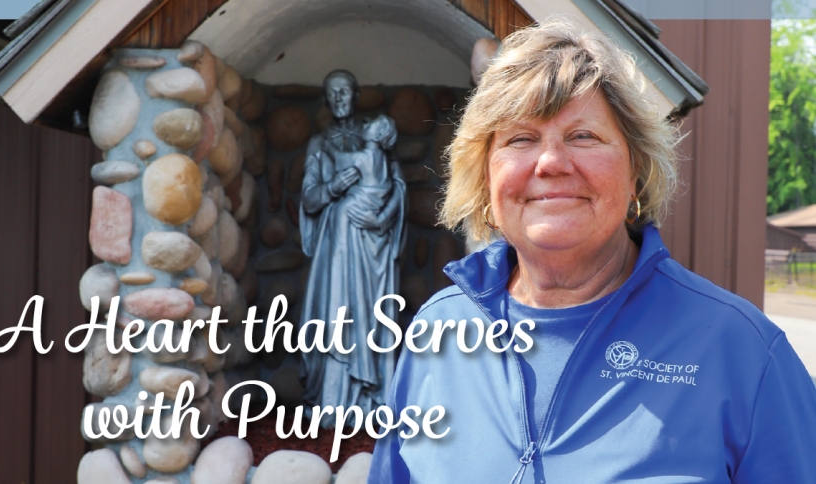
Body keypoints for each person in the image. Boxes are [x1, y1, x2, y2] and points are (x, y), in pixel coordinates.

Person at [368, 19, 816, 483]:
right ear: (485, 179)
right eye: (520, 138)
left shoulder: (743, 352)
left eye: (583, 136)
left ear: (635, 172)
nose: (551, 163)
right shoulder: (438, 333)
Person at [299, 70, 406, 428]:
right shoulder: (320, 144)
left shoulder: (376, 136)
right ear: (326, 100)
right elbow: (310, 200)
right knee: (337, 312)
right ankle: (334, 398)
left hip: (373, 240)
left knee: (371, 312)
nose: (340, 99)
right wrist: (331, 187)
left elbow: (397, 187)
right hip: (337, 245)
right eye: (333, 94)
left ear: (356, 94)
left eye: (345, 91)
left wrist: (383, 218)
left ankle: (373, 395)